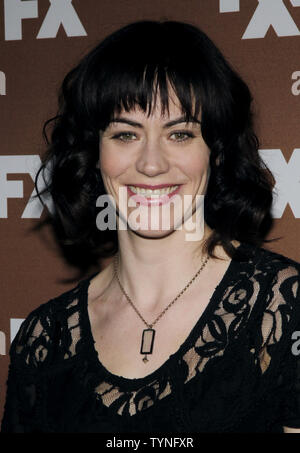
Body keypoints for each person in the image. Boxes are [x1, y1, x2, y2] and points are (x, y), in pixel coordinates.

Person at [1, 20, 300, 433]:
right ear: (94, 150)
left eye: (179, 134)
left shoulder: (283, 308)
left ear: (215, 152)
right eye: (126, 134)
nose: (152, 164)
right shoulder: (45, 338)